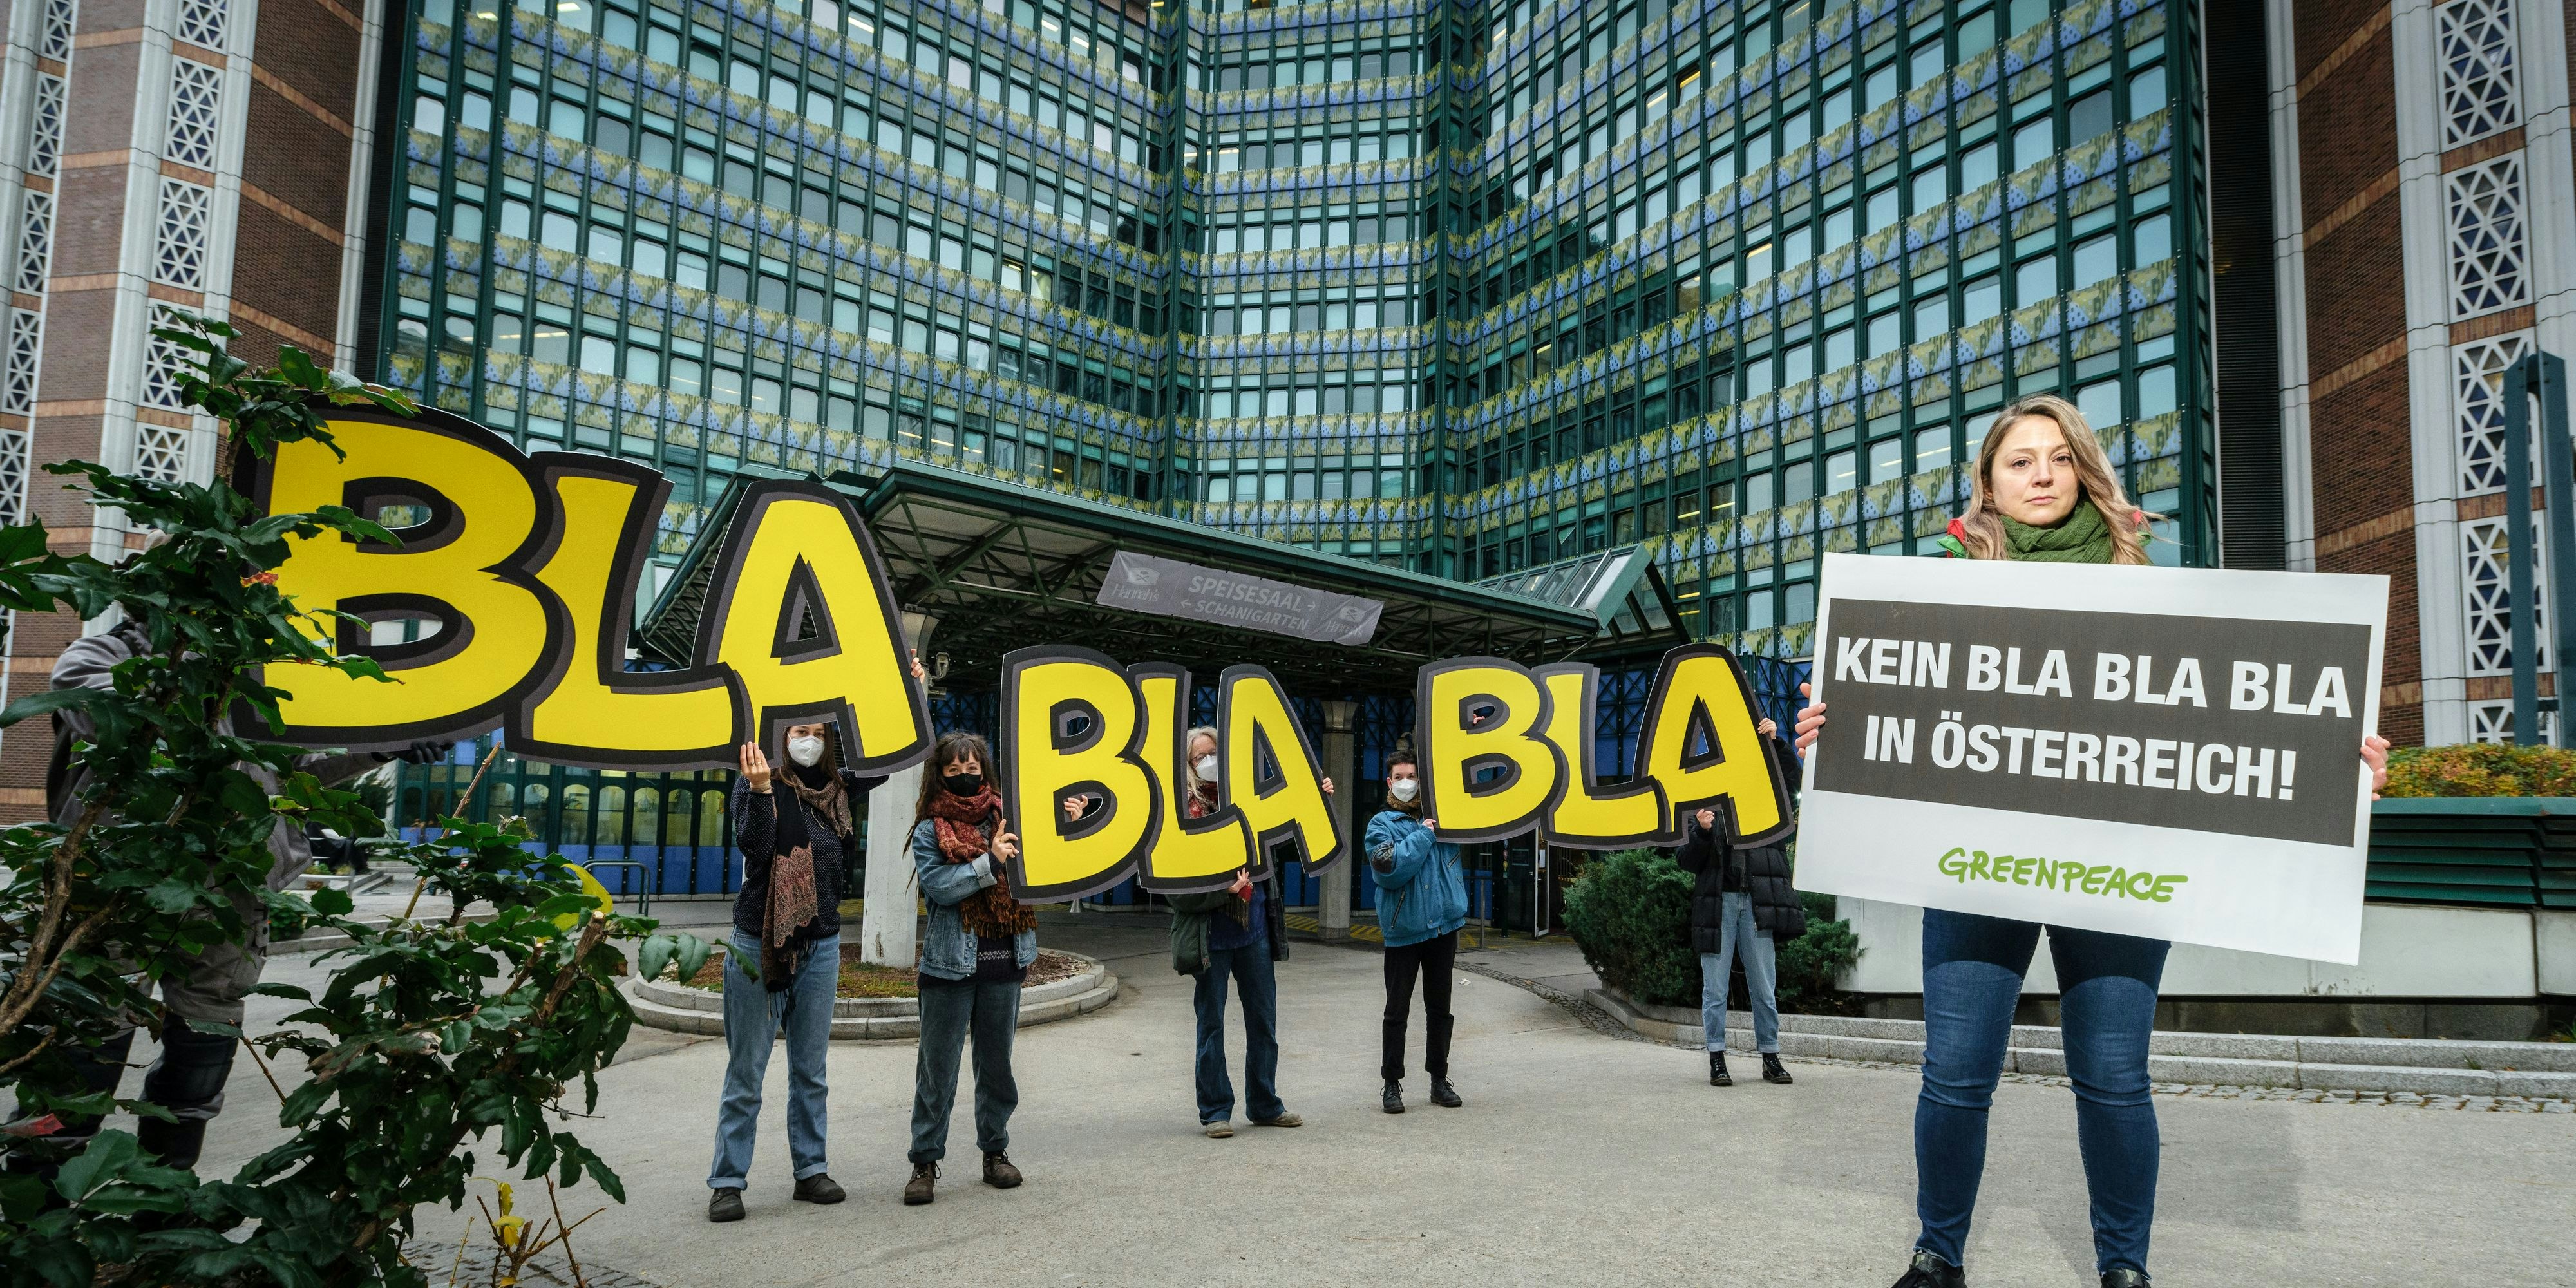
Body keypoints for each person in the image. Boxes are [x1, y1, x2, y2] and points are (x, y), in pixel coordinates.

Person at [1792, 394, 2392, 1288]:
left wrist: (2340, 760)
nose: (2040, 474)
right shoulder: (1937, 578)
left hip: (2118, 870)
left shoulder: (2154, 574)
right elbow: (1887, 703)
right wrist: (1826, 729)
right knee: (1956, 1073)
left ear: (2084, 471)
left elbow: (2256, 704)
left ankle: (2123, 1268)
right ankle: (1937, 1254)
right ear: (1988, 484)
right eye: (2019, 461)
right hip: (1974, 864)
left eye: (2058, 457)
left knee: (2114, 1075)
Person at [14, 618, 439, 1173]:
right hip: (121, 877)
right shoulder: (110, 651)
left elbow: (290, 773)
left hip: (232, 883)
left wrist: (382, 748)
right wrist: (201, 678)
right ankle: (41, 1199)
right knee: (90, 1020)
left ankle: (163, 1195)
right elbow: (101, 712)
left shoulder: (263, 671)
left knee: (208, 1026)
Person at [708, 721, 882, 1222]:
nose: (809, 740)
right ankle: (727, 1181)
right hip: (760, 944)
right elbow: (757, 849)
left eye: (818, 732)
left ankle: (811, 1171)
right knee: (747, 1071)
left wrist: (912, 692)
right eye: (798, 730)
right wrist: (763, 790)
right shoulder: (755, 779)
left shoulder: (837, 789)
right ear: (781, 736)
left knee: (811, 1071)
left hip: (822, 945)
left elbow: (892, 758)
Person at [1163, 726, 1330, 1138]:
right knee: (1212, 1026)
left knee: (1263, 1022)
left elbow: (1286, 844)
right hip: (1211, 940)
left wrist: (1317, 802)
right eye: (1199, 756)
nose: (1209, 761)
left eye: (1214, 751)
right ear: (1187, 767)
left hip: (1253, 932)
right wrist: (1223, 894)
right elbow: (1177, 893)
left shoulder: (1249, 803)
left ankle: (1265, 1104)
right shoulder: (1182, 814)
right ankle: (1216, 1111)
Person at [904, 731, 1037, 1205]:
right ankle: (924, 1161)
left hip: (1005, 961)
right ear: (939, 775)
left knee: (997, 1066)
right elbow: (941, 887)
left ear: (986, 769)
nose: (964, 776)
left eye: (972, 767)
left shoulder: (1010, 819)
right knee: (937, 1071)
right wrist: (991, 862)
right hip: (948, 969)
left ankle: (995, 1153)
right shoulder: (928, 830)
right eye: (954, 770)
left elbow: (1048, 856)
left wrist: (1073, 819)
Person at [1673, 716, 1804, 1088]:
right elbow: (1684, 860)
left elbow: (1792, 781)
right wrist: (1702, 832)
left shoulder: (1763, 790)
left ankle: (1771, 1056)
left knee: (1764, 987)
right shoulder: (1702, 794)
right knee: (1715, 989)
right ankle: (1717, 1058)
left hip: (1758, 902)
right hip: (1719, 904)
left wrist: (1776, 743)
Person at [1363, 750, 1468, 1115]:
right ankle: (1392, 1084)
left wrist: (1473, 732)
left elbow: (1478, 791)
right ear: (1390, 783)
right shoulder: (1380, 824)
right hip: (1404, 931)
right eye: (1401, 777)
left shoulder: (1447, 817)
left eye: (1413, 776)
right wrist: (1424, 836)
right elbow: (1389, 868)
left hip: (1444, 926)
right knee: (1397, 1011)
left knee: (1441, 1009)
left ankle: (1439, 1080)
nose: (1408, 783)